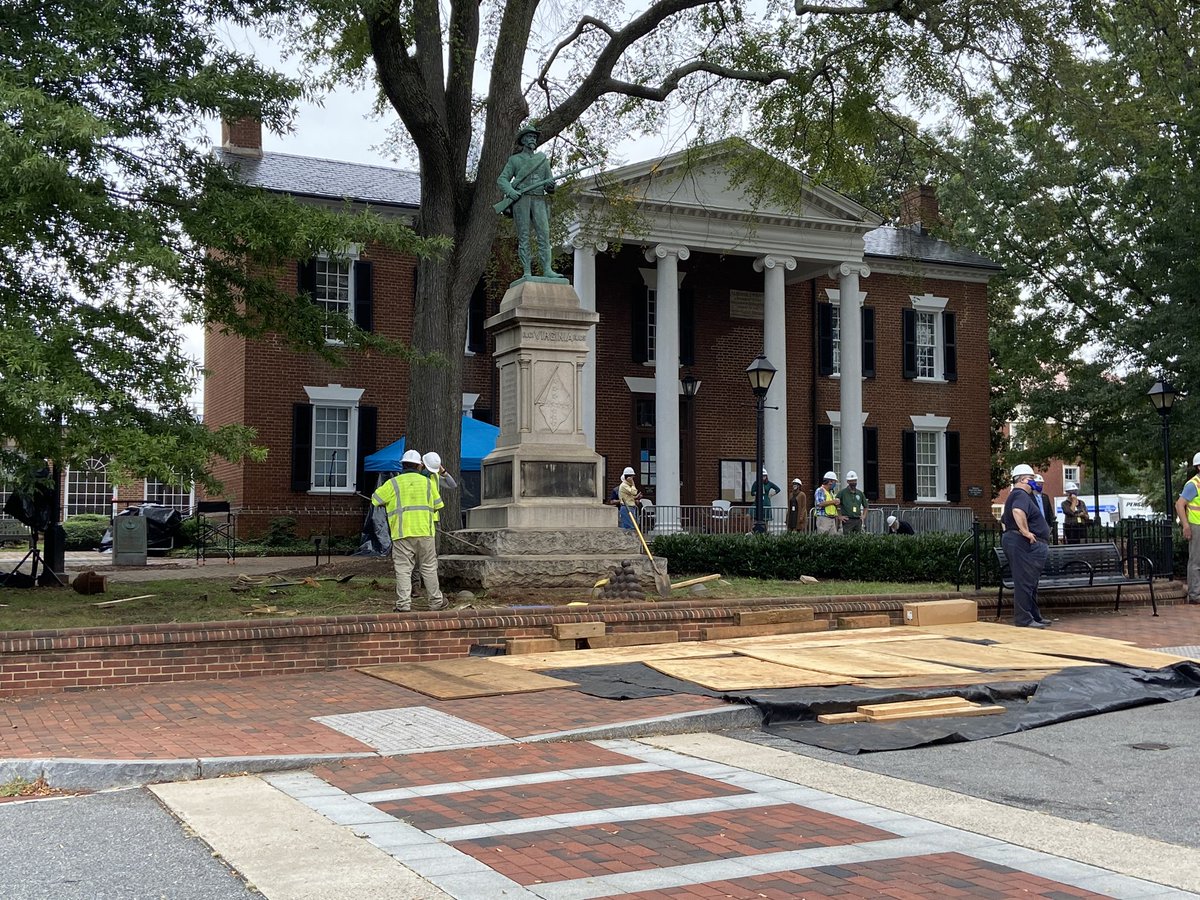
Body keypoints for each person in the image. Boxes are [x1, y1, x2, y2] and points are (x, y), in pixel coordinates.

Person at [370, 448, 446, 612]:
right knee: (429, 567)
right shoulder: (427, 483)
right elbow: (438, 505)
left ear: (402, 466)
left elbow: (375, 500)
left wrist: (388, 503)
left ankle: (404, 604)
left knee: (404, 569)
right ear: (419, 466)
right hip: (425, 532)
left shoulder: (393, 483)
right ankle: (436, 602)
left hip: (402, 533)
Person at [496, 124, 560, 279]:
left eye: (534, 137)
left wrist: (550, 186)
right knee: (524, 236)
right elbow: (502, 180)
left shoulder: (542, 160)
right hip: (522, 200)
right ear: (523, 140)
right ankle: (527, 271)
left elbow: (548, 183)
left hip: (539, 199)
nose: (533, 139)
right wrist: (511, 192)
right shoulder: (515, 160)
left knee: (544, 235)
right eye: (529, 137)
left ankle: (547, 270)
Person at [1000, 463, 1051, 627]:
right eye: (1031, 478)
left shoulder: (1018, 496)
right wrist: (1025, 532)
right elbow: (1017, 512)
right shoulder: (1020, 495)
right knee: (1025, 582)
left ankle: (1034, 616)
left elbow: (1003, 521)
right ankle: (1024, 619)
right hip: (1023, 544)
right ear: (1022, 479)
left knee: (1031, 582)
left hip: (1019, 542)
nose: (1034, 481)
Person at [1174, 451, 1200, 605]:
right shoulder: (1193, 484)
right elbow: (1179, 504)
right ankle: (1195, 595)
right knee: (1196, 561)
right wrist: (1186, 526)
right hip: (1197, 525)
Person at [422, 451, 457, 526]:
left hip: (434, 518)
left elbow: (452, 485)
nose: (430, 472)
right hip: (420, 517)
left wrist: (443, 471)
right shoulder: (416, 476)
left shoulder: (435, 476)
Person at [836, 470, 867, 534]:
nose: (853, 482)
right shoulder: (842, 493)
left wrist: (864, 516)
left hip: (858, 520)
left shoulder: (860, 493)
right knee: (847, 539)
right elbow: (835, 504)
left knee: (858, 538)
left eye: (855, 480)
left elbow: (866, 506)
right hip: (847, 520)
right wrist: (839, 516)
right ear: (848, 481)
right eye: (851, 481)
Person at [1033, 474, 1058, 543]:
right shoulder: (1029, 497)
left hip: (1045, 525)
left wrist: (1051, 525)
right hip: (1035, 526)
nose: (1040, 486)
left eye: (1041, 484)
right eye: (1038, 484)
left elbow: (1049, 511)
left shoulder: (1045, 497)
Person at [617, 466, 641, 531]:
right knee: (629, 527)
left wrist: (636, 498)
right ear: (628, 477)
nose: (632, 479)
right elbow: (634, 492)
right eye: (632, 477)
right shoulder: (624, 485)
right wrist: (633, 483)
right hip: (627, 507)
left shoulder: (627, 485)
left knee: (633, 526)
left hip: (630, 507)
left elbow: (631, 496)